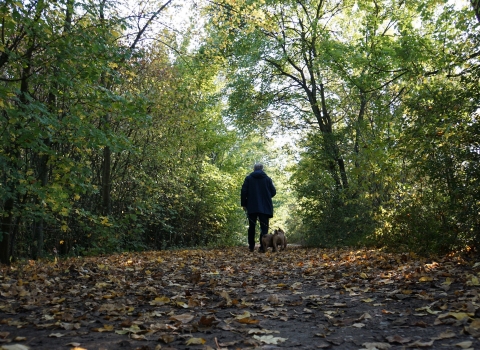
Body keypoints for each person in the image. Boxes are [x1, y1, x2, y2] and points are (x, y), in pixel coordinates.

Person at [241, 163, 276, 252]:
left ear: (254, 169)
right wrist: (267, 196)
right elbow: (273, 192)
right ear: (262, 169)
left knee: (252, 226)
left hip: (252, 205)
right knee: (264, 227)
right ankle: (262, 247)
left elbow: (244, 191)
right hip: (265, 207)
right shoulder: (267, 179)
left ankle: (251, 247)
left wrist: (244, 204)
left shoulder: (248, 178)